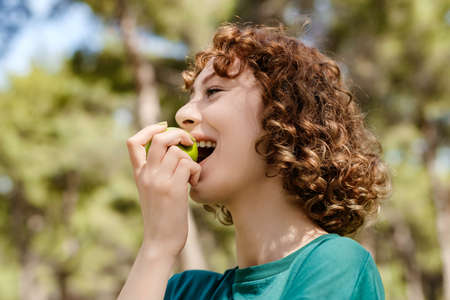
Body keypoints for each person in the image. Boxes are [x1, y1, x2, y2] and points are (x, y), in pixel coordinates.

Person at [119, 23, 391, 300]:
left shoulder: (334, 264)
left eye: (213, 91)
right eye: (191, 97)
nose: (182, 114)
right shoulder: (184, 291)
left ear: (284, 115)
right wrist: (157, 246)